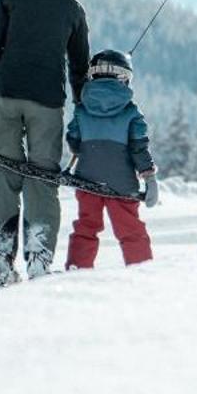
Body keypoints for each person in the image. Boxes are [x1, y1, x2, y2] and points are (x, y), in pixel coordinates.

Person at [0, 0, 90, 284]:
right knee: (42, 176)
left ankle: (0, 258)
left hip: (3, 95)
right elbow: (80, 67)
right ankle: (39, 256)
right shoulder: (72, 10)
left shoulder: (10, 0)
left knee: (5, 174)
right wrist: (83, 113)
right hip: (47, 103)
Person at [64, 49, 160, 269]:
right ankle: (141, 268)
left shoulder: (82, 109)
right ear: (125, 77)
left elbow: (73, 140)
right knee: (130, 230)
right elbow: (139, 149)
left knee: (86, 227)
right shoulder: (131, 112)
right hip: (122, 184)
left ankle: (77, 269)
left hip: (87, 179)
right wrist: (150, 178)